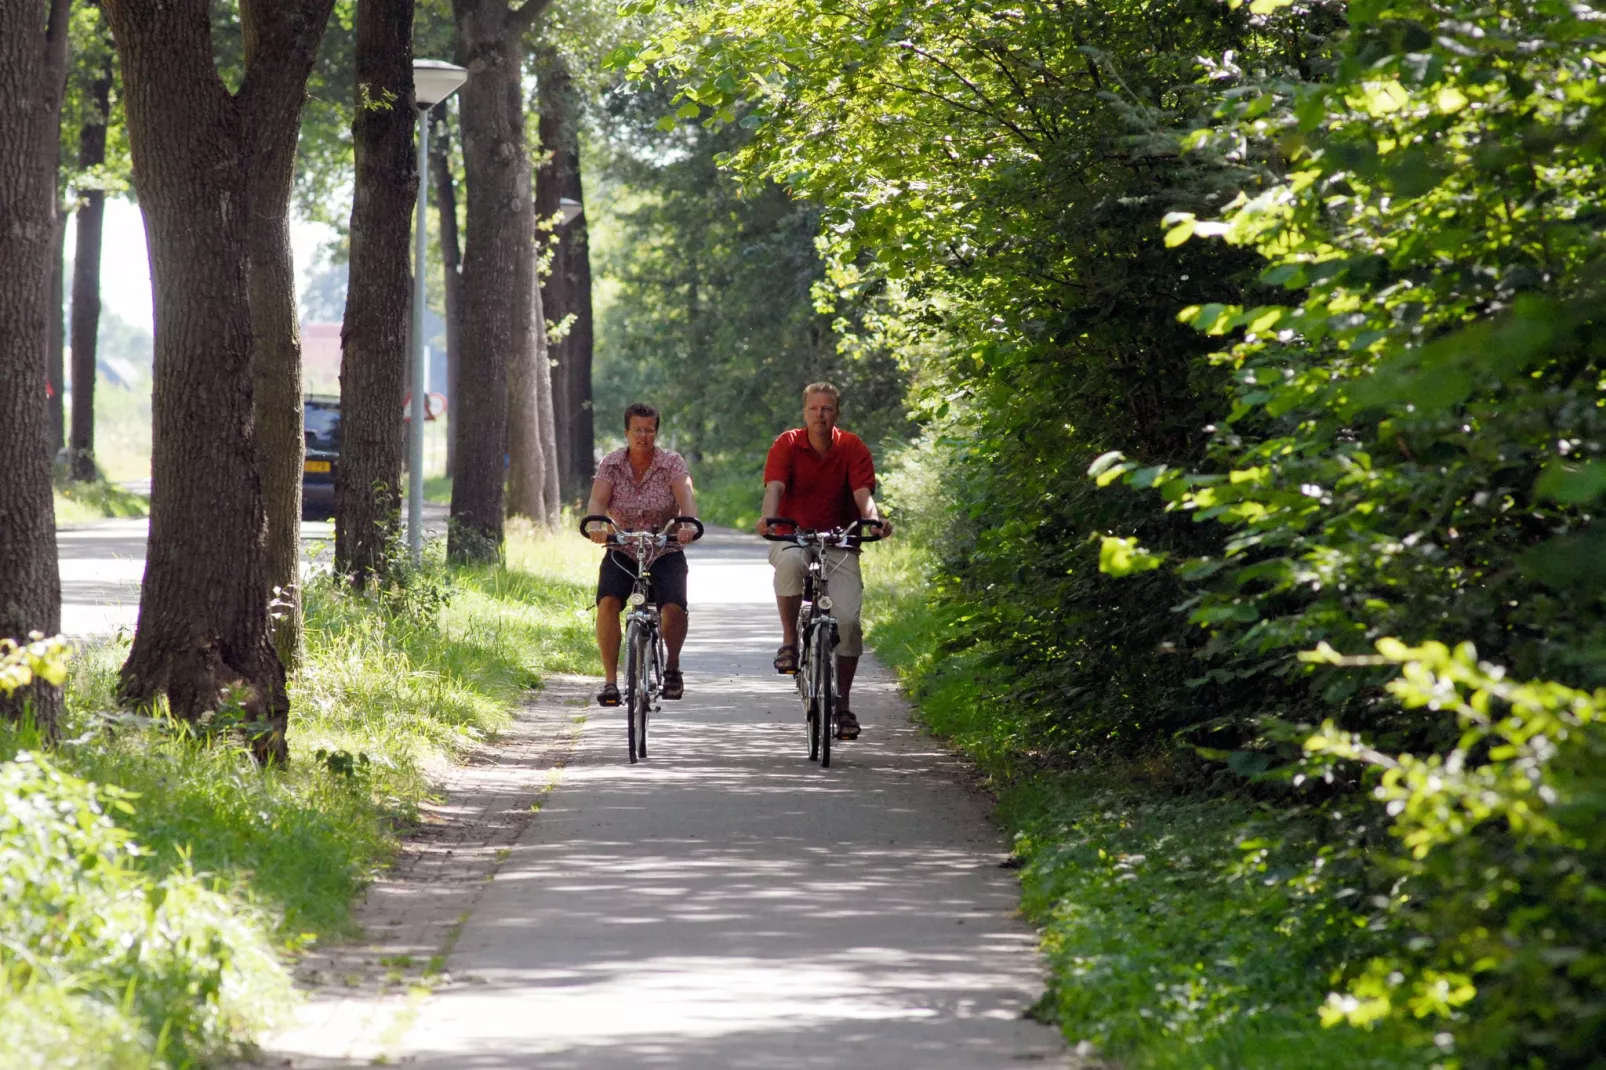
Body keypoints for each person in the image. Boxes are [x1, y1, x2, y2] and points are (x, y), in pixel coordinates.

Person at [755, 382, 892, 740]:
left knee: (847, 621)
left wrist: (874, 521)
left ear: (837, 413)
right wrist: (769, 520)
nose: (820, 415)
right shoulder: (786, 444)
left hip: (840, 539)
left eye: (827, 409)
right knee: (789, 565)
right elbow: (775, 489)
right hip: (792, 534)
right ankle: (790, 641)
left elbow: (863, 496)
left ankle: (842, 704)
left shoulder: (852, 446)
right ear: (804, 413)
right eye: (814, 409)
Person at [585, 402, 699, 707]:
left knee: (673, 607)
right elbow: (597, 500)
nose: (643, 436)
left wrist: (686, 523)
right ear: (627, 432)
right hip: (622, 546)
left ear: (656, 432)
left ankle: (672, 665)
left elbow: (685, 495)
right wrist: (597, 524)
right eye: (637, 430)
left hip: (664, 547)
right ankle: (610, 681)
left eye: (649, 430)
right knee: (607, 602)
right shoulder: (611, 463)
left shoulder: (671, 463)